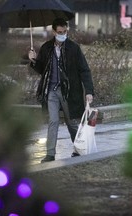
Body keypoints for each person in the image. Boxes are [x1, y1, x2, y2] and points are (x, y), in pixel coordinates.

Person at [28, 18, 94, 163]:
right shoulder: (46, 48)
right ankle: (50, 154)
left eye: (64, 32)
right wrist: (33, 61)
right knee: (53, 121)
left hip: (68, 91)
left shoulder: (73, 48)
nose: (62, 34)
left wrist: (89, 91)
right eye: (59, 32)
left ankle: (79, 149)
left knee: (71, 122)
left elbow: (84, 70)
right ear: (54, 32)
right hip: (51, 90)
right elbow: (41, 69)